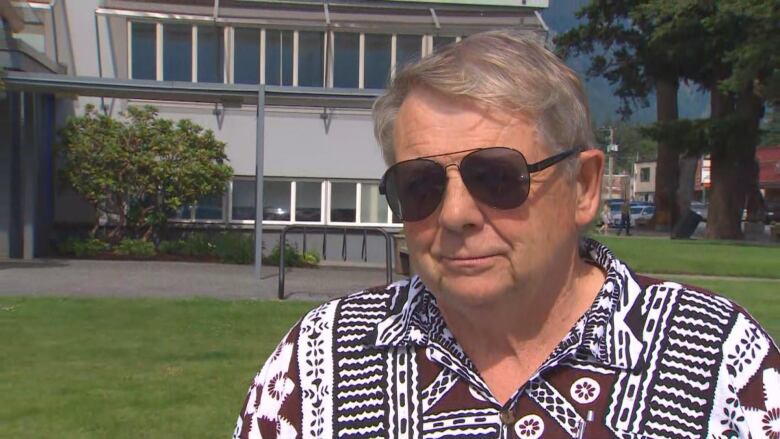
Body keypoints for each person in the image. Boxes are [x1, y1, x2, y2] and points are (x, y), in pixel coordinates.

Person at [233, 30, 779, 438]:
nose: (455, 215)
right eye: (421, 185)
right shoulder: (317, 361)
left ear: (584, 186)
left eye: (495, 177)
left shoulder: (720, 359)